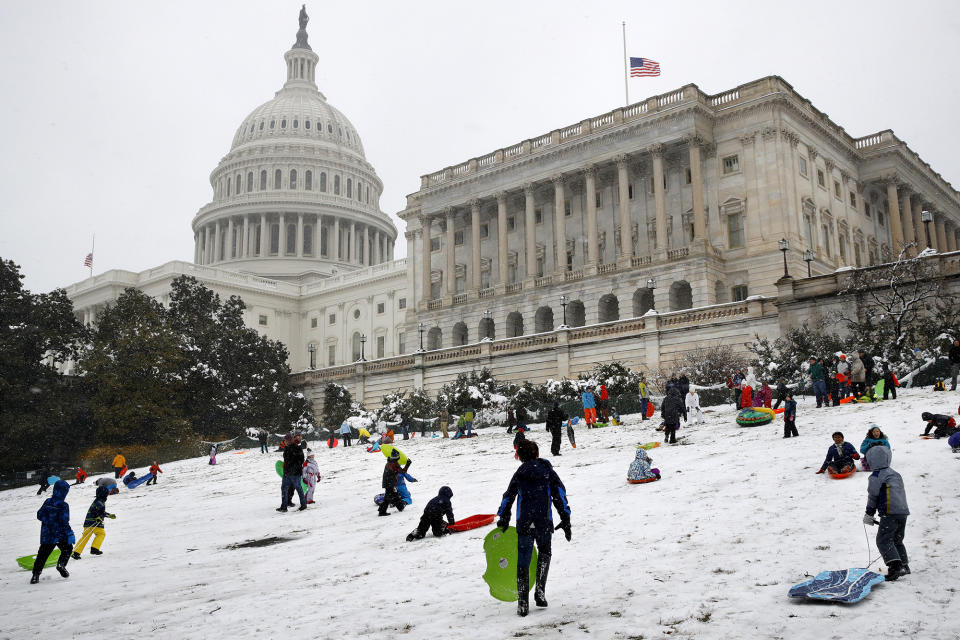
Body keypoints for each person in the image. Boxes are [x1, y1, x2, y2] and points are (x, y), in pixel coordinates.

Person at [496, 439, 571, 617]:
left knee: (523, 559)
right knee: (545, 552)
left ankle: (523, 602)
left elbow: (508, 496)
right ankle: (540, 592)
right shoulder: (547, 471)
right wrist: (565, 517)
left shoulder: (519, 473)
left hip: (525, 521)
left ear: (520, 456)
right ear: (536, 453)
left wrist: (504, 516)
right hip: (543, 521)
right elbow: (560, 494)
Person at [863, 445, 910, 580]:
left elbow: (873, 495)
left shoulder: (876, 475)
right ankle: (904, 565)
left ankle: (896, 567)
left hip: (889, 511)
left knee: (883, 540)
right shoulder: (895, 473)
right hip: (903, 511)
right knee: (896, 539)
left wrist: (869, 513)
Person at [30, 480, 74, 584]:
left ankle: (35, 575)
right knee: (67, 549)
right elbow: (64, 521)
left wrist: (48, 519)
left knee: (42, 555)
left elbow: (39, 515)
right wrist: (70, 533)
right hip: (60, 535)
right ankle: (61, 565)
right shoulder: (64, 505)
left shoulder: (47, 502)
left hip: (47, 535)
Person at [71, 484, 116, 559]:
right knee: (100, 534)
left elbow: (100, 512)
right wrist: (97, 517)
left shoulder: (98, 501)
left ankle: (79, 552)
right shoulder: (100, 501)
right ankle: (92, 549)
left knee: (88, 536)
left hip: (90, 522)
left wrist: (109, 515)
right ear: (104, 494)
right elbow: (95, 511)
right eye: (106, 494)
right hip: (94, 522)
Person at [277, 434, 306, 512]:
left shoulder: (297, 448)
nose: (284, 442)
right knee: (284, 489)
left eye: (285, 441)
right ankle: (284, 507)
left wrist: (295, 468)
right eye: (284, 441)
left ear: (289, 440)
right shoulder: (286, 448)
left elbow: (301, 460)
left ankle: (303, 504)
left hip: (295, 473)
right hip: (286, 473)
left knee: (299, 488)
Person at [378, 449, 406, 516]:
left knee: (393, 495)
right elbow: (402, 472)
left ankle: (400, 507)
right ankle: (382, 511)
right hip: (390, 483)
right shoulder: (394, 464)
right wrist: (407, 464)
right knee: (389, 497)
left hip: (388, 482)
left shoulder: (389, 462)